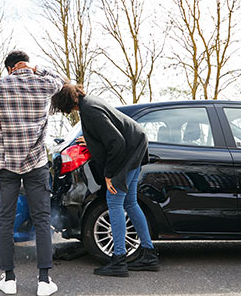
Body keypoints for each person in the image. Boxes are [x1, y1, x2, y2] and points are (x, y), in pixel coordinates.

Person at [0, 50, 64, 296]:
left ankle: (9, 278)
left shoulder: (0, 84)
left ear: (9, 68)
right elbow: (61, 80)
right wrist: (37, 70)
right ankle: (44, 280)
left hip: (5, 162)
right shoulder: (44, 83)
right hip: (36, 162)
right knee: (42, 220)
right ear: (27, 65)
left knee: (6, 220)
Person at [51, 83, 160, 277]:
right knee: (130, 202)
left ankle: (119, 260)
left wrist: (110, 174)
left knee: (114, 201)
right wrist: (91, 140)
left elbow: (116, 142)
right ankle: (149, 254)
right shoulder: (90, 103)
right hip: (135, 145)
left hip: (127, 151)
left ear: (66, 102)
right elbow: (108, 133)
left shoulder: (90, 110)